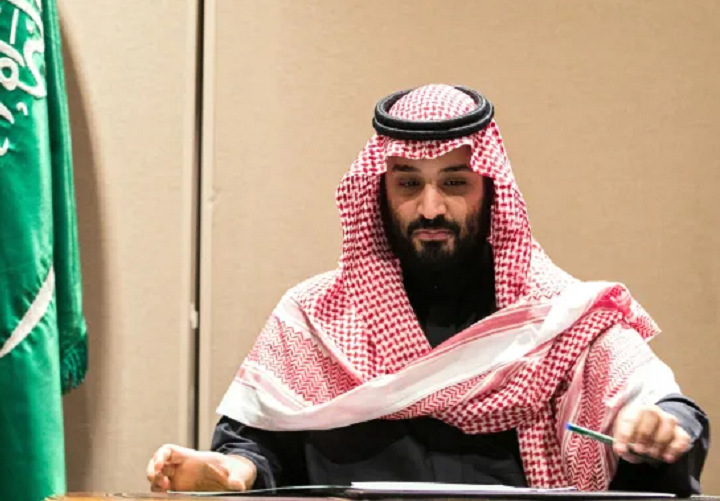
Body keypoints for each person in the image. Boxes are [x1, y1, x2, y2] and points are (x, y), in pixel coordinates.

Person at [146, 84, 709, 495]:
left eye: (454, 183)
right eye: (409, 183)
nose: (431, 207)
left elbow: (666, 408)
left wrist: (663, 429)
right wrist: (233, 471)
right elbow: (255, 446)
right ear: (379, 192)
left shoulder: (557, 317)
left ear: (489, 190)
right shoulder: (315, 317)